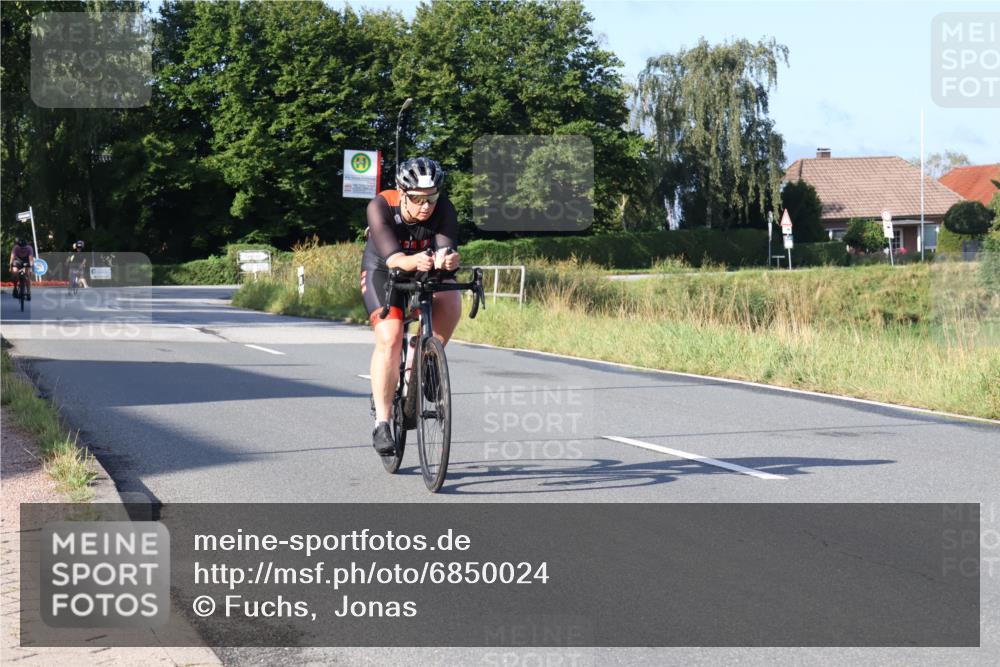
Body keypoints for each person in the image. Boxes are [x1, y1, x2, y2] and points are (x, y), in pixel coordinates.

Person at [361, 157, 461, 455]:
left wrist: (448, 259)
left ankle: (425, 358)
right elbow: (393, 258)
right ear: (402, 193)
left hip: (423, 265)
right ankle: (382, 422)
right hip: (383, 268)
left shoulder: (443, 208)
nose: (425, 206)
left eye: (431, 199)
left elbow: (445, 248)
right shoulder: (380, 206)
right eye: (417, 199)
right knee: (390, 337)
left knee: (451, 296)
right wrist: (411, 260)